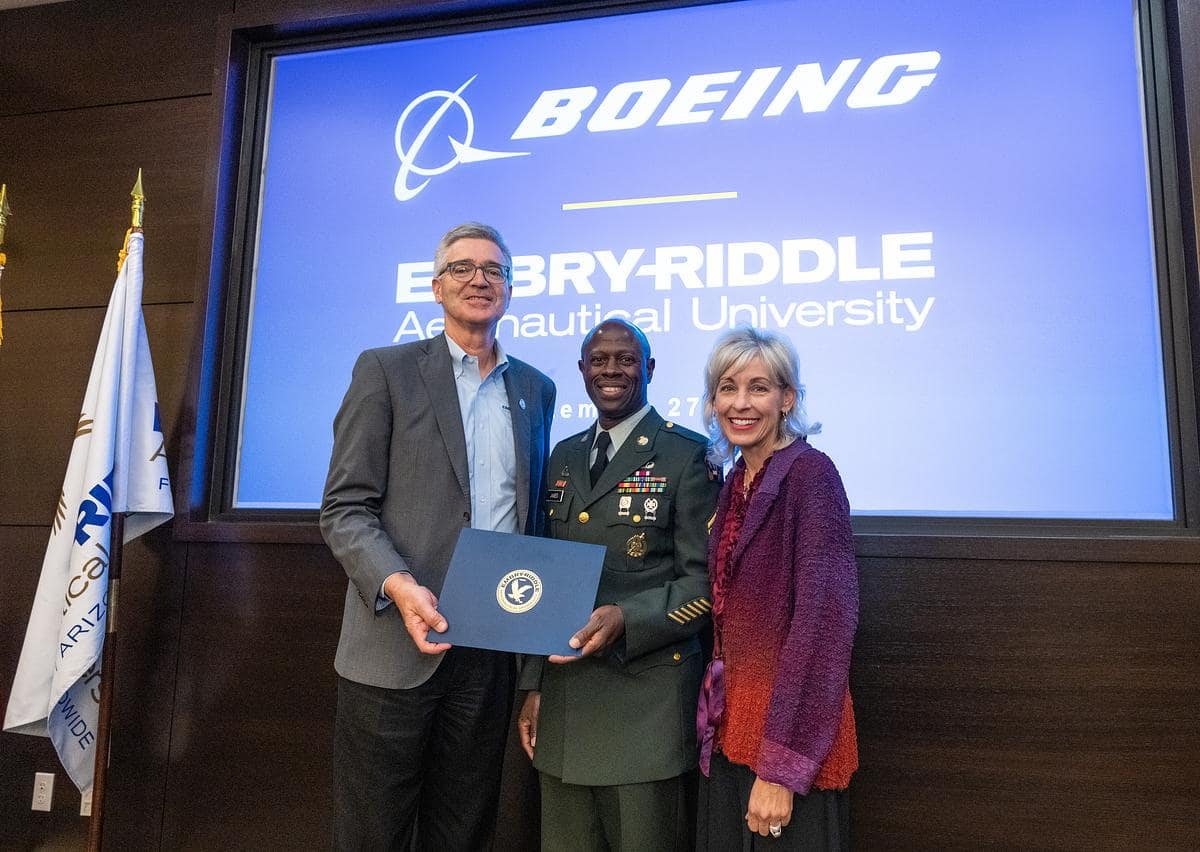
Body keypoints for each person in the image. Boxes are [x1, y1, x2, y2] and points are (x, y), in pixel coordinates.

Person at [320, 222, 555, 850]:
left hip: (488, 654)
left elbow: (528, 526)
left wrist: (533, 661)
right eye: (463, 268)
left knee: (464, 832)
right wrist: (399, 587)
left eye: (494, 270)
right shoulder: (386, 371)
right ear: (435, 286)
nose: (479, 279)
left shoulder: (535, 389)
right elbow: (344, 509)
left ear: (509, 287)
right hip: (393, 651)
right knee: (374, 834)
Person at [517, 318, 721, 851]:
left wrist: (628, 618)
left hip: (645, 705)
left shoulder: (688, 456)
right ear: (583, 371)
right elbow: (545, 573)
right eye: (600, 360)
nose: (612, 370)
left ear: (649, 369)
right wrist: (533, 684)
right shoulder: (562, 455)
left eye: (626, 360)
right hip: (565, 705)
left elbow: (705, 583)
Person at [695, 326, 858, 850]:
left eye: (759, 388)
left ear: (787, 399)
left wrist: (783, 767)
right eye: (727, 387)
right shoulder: (737, 478)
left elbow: (823, 626)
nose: (740, 403)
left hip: (785, 745)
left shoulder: (811, 476)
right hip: (732, 730)